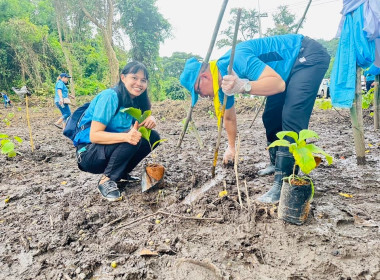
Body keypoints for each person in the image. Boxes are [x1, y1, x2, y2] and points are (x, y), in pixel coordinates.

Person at [180, 34, 330, 204]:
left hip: (306, 56)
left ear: (204, 78)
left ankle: (283, 183)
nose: (202, 96)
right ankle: (277, 164)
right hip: (285, 71)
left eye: (198, 91)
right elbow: (228, 118)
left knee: (292, 115)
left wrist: (244, 86)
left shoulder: (236, 60)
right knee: (270, 116)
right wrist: (231, 148)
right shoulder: (220, 82)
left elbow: (278, 85)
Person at [73, 61, 160, 201]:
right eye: (134, 78)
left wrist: (151, 118)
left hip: (106, 150)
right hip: (88, 154)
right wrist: (126, 137)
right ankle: (106, 181)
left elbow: (140, 127)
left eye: (143, 80)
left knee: (152, 137)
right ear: (123, 77)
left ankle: (120, 174)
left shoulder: (135, 101)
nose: (139, 83)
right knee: (131, 138)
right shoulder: (110, 97)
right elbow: (94, 135)